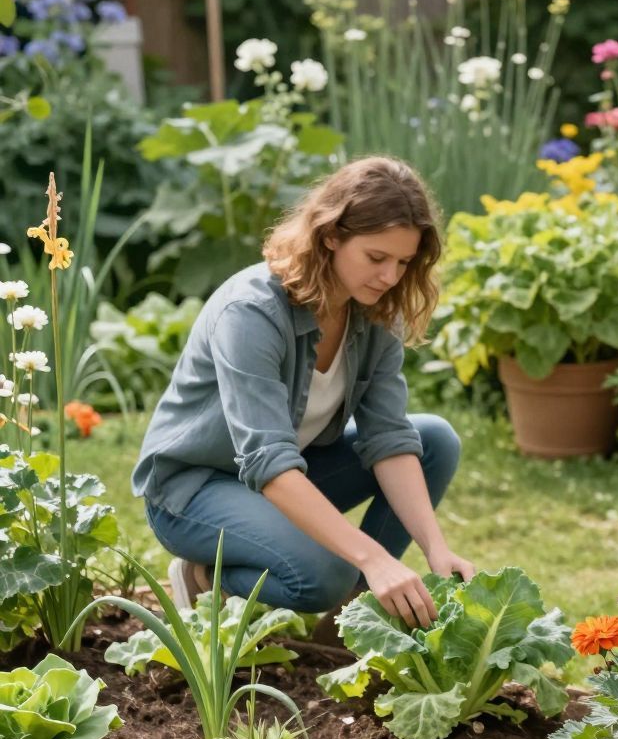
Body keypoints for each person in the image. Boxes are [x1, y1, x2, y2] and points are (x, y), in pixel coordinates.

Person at [133, 156, 474, 628]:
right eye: (377, 258)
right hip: (196, 490)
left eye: (403, 262)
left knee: (433, 439)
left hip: (290, 474)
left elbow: (389, 437)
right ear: (330, 235)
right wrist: (373, 558)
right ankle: (205, 580)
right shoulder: (251, 312)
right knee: (325, 573)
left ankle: (354, 617)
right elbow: (268, 461)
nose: (391, 277)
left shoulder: (373, 310)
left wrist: (437, 549)